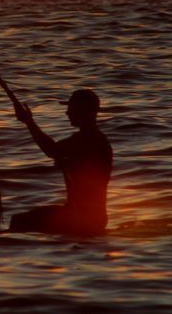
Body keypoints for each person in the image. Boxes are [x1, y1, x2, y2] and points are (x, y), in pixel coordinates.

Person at [9, 88, 112, 236]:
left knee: (20, 222)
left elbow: (51, 150)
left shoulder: (89, 140)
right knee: (21, 220)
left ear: (85, 111)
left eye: (72, 109)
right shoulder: (91, 139)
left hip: (81, 218)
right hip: (83, 216)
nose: (67, 113)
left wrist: (29, 122)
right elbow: (57, 153)